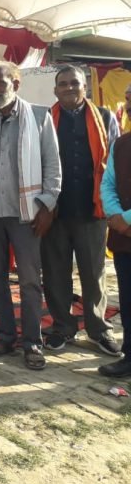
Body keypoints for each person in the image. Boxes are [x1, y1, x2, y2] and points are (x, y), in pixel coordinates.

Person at [0, 61, 61, 370]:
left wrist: (47, 205)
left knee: (30, 281)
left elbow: (52, 165)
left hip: (26, 214)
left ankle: (32, 343)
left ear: (16, 84)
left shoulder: (39, 116)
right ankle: (5, 337)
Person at [42, 65, 121, 357]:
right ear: (55, 90)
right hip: (55, 212)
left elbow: (114, 165)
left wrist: (113, 207)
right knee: (55, 273)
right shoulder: (45, 120)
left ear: (84, 87)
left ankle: (98, 329)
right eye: (63, 84)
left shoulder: (104, 117)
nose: (69, 88)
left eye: (74, 83)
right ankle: (63, 327)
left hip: (92, 209)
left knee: (94, 273)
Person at [98, 130, 131, 376]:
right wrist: (116, 216)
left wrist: (126, 219)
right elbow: (107, 184)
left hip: (124, 226)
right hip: (124, 240)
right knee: (128, 300)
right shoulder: (121, 144)